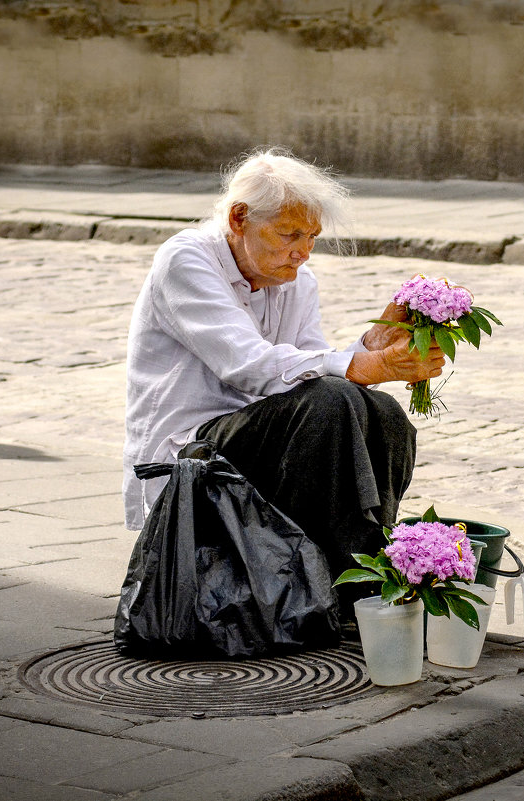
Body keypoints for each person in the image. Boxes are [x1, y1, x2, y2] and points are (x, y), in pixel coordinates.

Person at [122, 147, 444, 611]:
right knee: (331, 403)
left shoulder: (298, 280)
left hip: (266, 433)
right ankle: (345, 590)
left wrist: (369, 349)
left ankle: (368, 567)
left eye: (312, 236)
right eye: (289, 233)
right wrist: (363, 368)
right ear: (239, 218)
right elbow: (250, 367)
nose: (304, 250)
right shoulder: (186, 260)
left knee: (384, 413)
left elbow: (311, 365)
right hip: (190, 447)